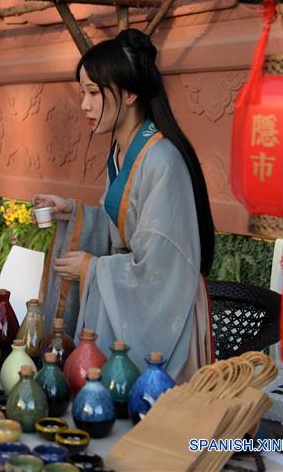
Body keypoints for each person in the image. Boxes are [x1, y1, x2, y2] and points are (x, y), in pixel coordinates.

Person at [34, 28, 215, 380]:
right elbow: (126, 229)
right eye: (82, 92)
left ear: (130, 93)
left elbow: (162, 264)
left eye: (93, 93)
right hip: (136, 300)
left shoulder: (161, 158)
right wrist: (73, 211)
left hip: (167, 308)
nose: (84, 104)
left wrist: (91, 268)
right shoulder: (121, 152)